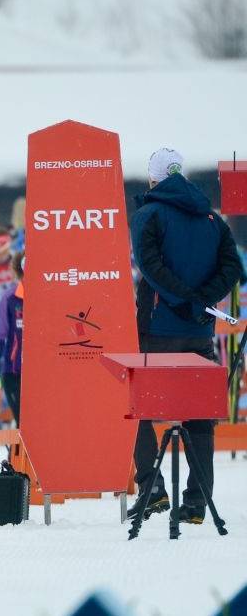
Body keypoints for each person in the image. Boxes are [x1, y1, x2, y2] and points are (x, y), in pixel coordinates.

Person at [127, 148, 243, 524]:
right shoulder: (212, 218)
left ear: (153, 179)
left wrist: (181, 300)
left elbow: (150, 266)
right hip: (199, 331)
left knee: (137, 408)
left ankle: (152, 487)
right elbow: (233, 267)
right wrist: (202, 301)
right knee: (199, 415)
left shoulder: (148, 214)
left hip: (158, 328)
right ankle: (196, 503)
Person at [0, 251, 24, 424]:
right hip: (14, 373)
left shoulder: (48, 296)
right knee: (24, 423)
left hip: (44, 373)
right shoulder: (10, 298)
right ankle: (18, 451)